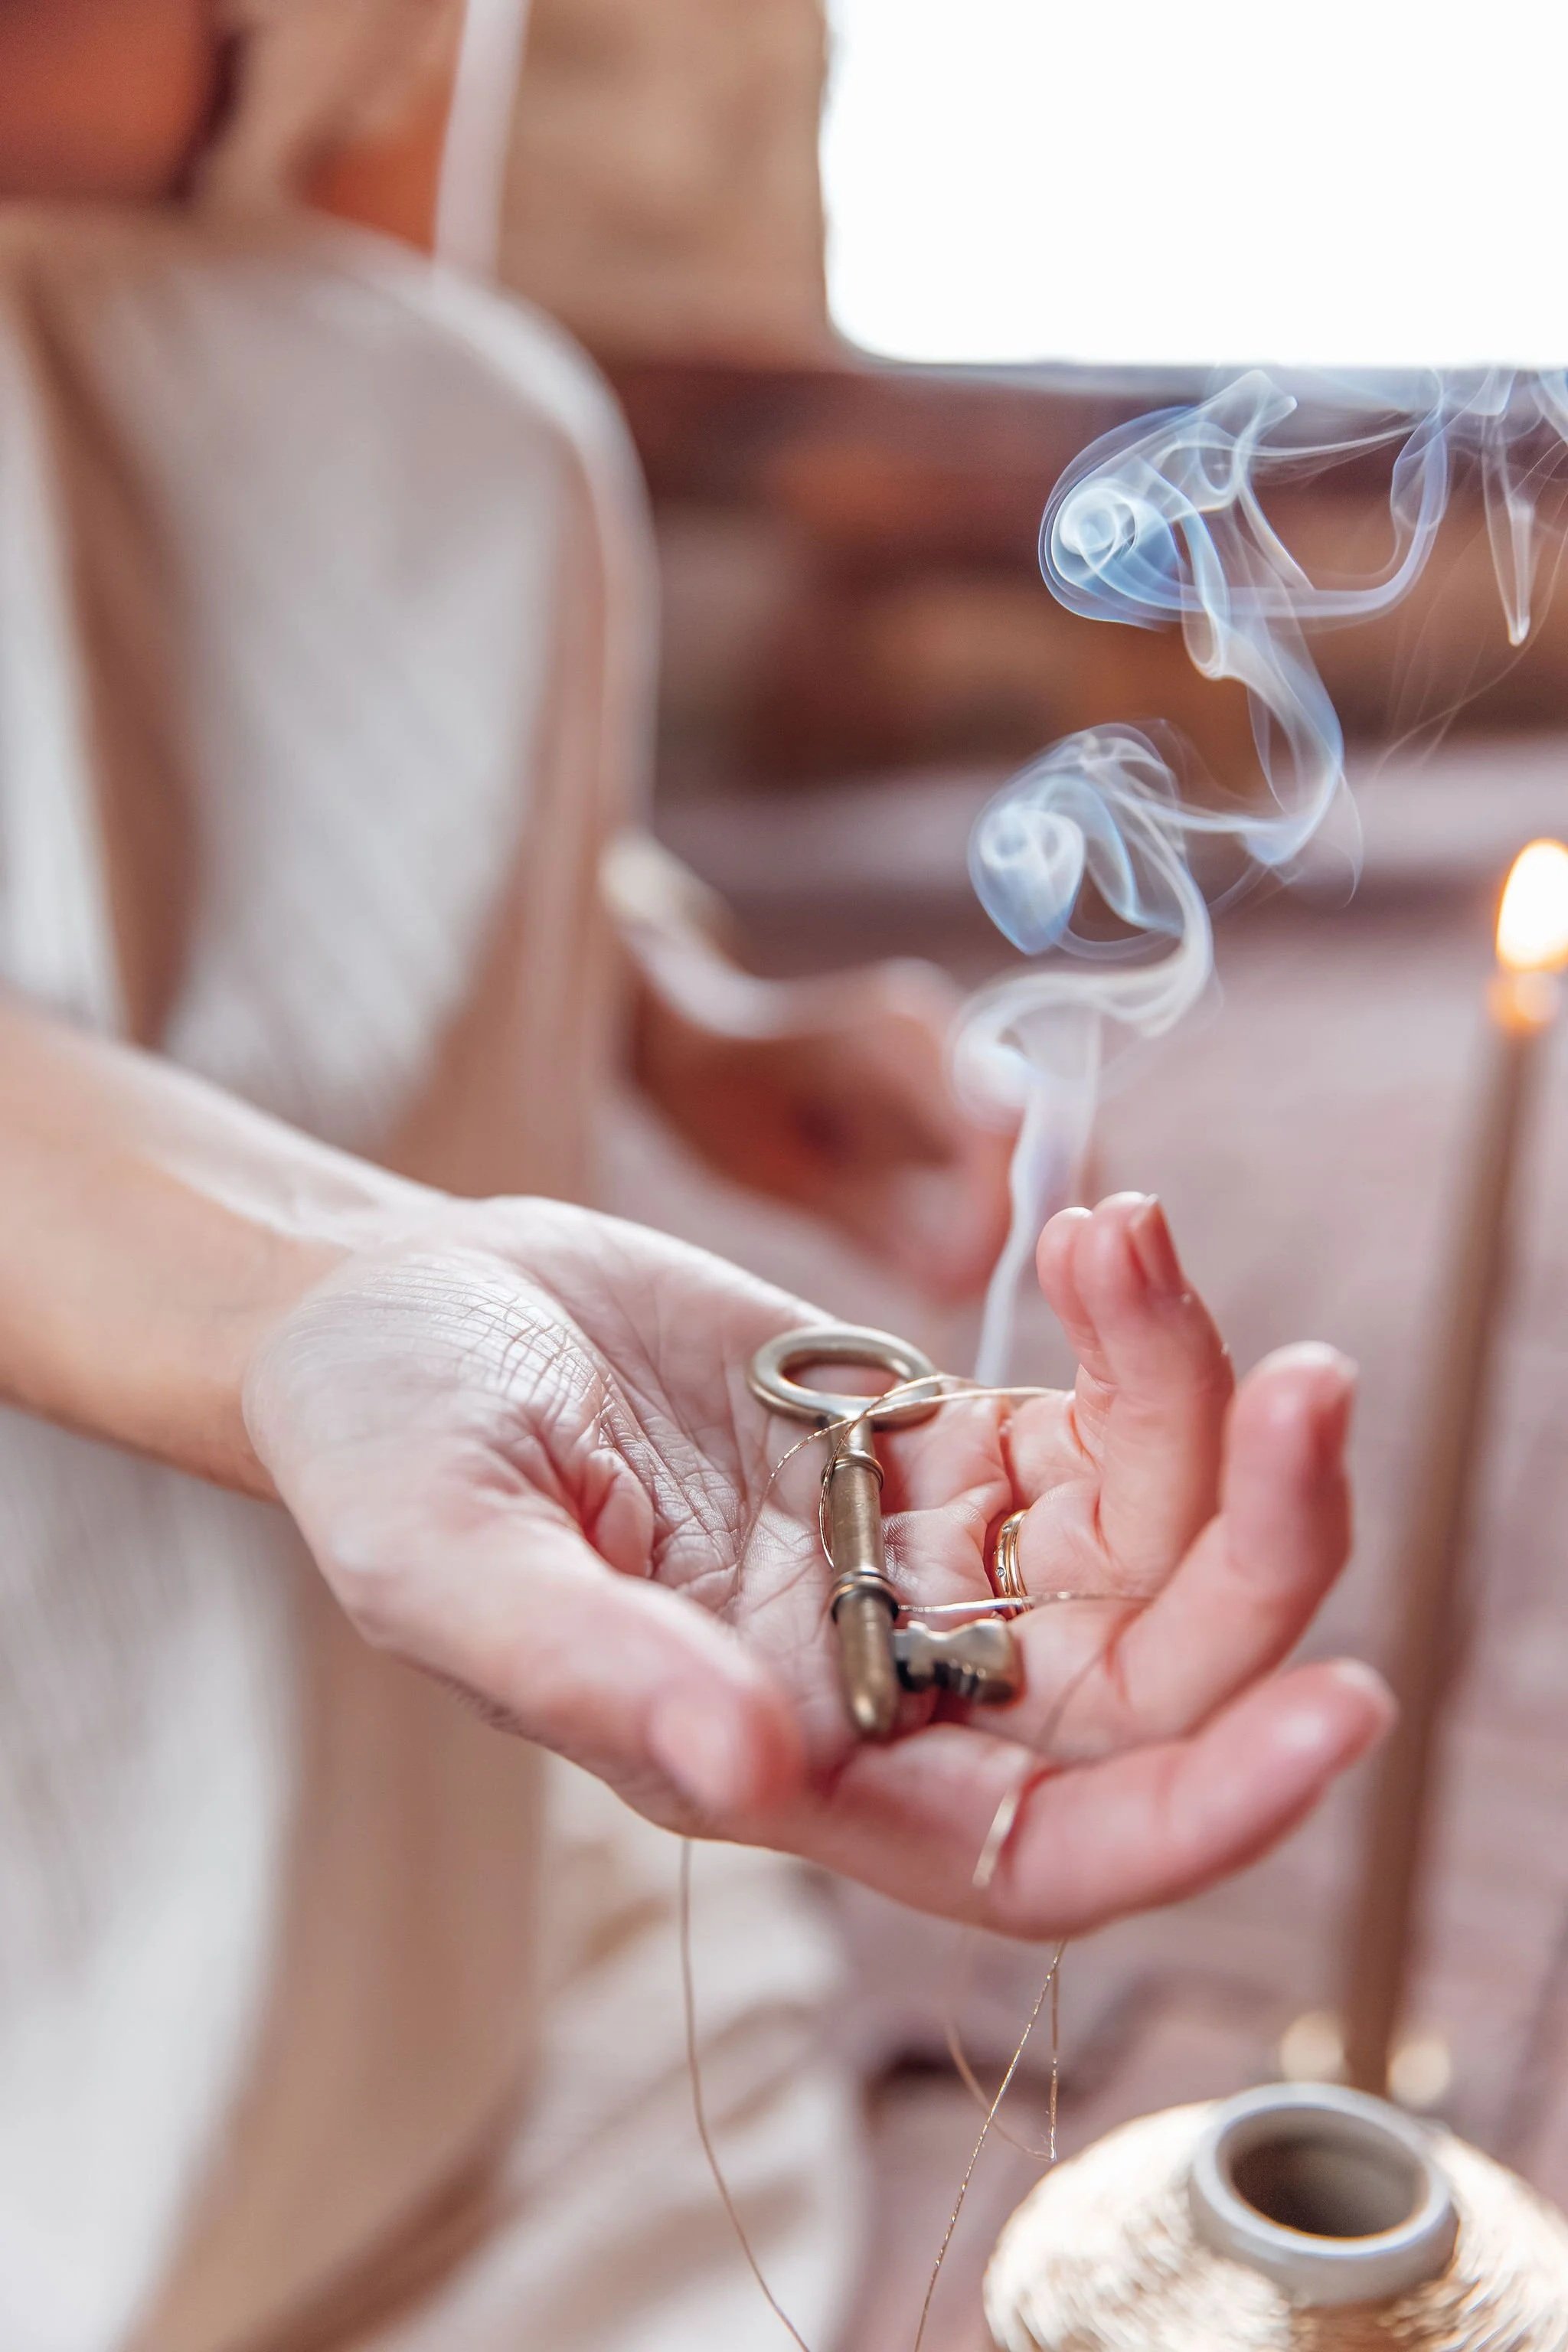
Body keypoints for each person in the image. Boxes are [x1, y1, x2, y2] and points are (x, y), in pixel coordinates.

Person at [0, 6, 1391, 2348]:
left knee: (349, 1867)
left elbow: (383, 506)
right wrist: (305, 1293)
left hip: (392, 1104)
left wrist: (659, 995)